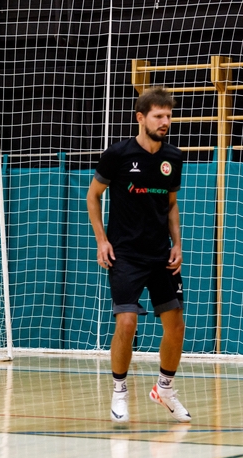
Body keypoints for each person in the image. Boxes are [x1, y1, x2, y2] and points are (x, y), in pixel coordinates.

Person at [87, 86, 190, 424]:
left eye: (168, 116)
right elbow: (93, 196)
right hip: (126, 255)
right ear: (141, 118)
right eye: (159, 116)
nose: (165, 122)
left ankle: (165, 389)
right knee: (127, 322)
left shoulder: (173, 157)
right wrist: (102, 241)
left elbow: (171, 205)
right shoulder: (117, 154)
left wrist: (177, 244)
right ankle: (119, 391)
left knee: (175, 325)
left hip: (161, 255)